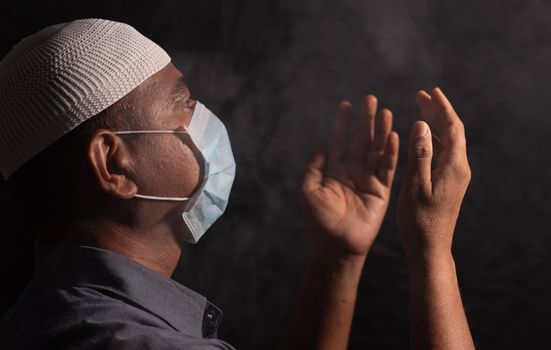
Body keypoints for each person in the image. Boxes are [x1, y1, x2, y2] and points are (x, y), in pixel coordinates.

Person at [0, 18, 473, 349]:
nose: (205, 118)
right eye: (183, 102)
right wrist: (433, 252)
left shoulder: (48, 313)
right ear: (114, 164)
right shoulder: (137, 342)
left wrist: (339, 257)